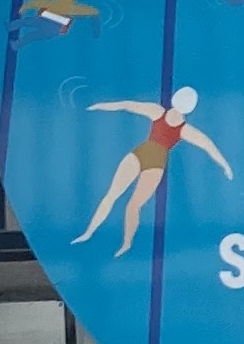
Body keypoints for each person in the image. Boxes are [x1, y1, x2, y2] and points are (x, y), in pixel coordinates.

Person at [75, 85, 231, 254]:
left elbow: (208, 145)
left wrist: (225, 166)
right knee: (118, 197)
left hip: (152, 162)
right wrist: (100, 106)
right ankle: (92, 233)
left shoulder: (171, 120)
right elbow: (127, 105)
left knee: (129, 204)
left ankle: (124, 243)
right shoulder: (166, 117)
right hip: (145, 157)